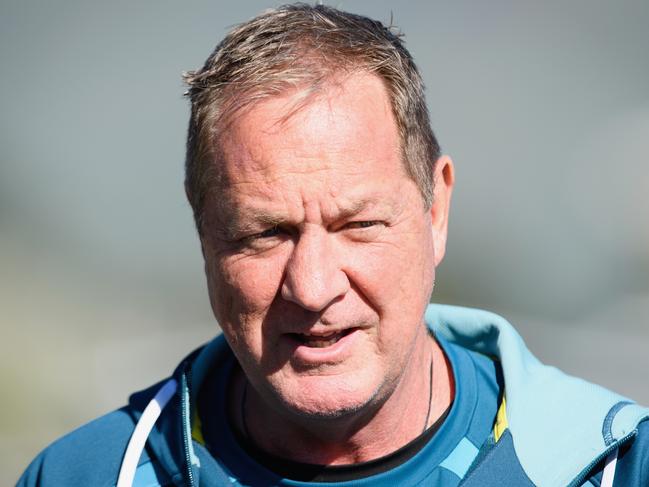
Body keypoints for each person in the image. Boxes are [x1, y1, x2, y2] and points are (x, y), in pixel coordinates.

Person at [18, 4, 648, 487]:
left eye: (358, 225)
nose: (314, 287)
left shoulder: (618, 467)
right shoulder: (90, 474)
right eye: (266, 234)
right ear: (204, 230)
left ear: (436, 210)